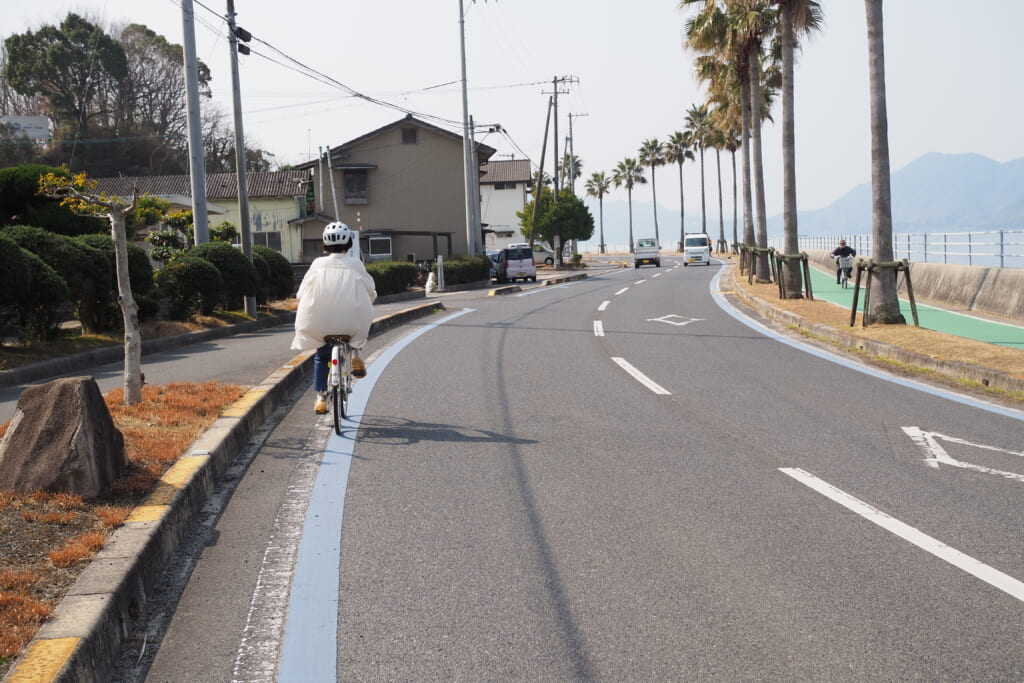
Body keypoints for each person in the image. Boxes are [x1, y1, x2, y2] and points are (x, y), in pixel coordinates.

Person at [291, 222, 377, 414]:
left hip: (320, 322)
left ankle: (321, 398)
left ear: (325, 245)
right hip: (351, 323)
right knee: (358, 326)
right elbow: (370, 290)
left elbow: (301, 293)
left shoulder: (317, 264)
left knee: (322, 357)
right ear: (348, 244)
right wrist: (369, 299)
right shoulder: (355, 264)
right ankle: (355, 354)